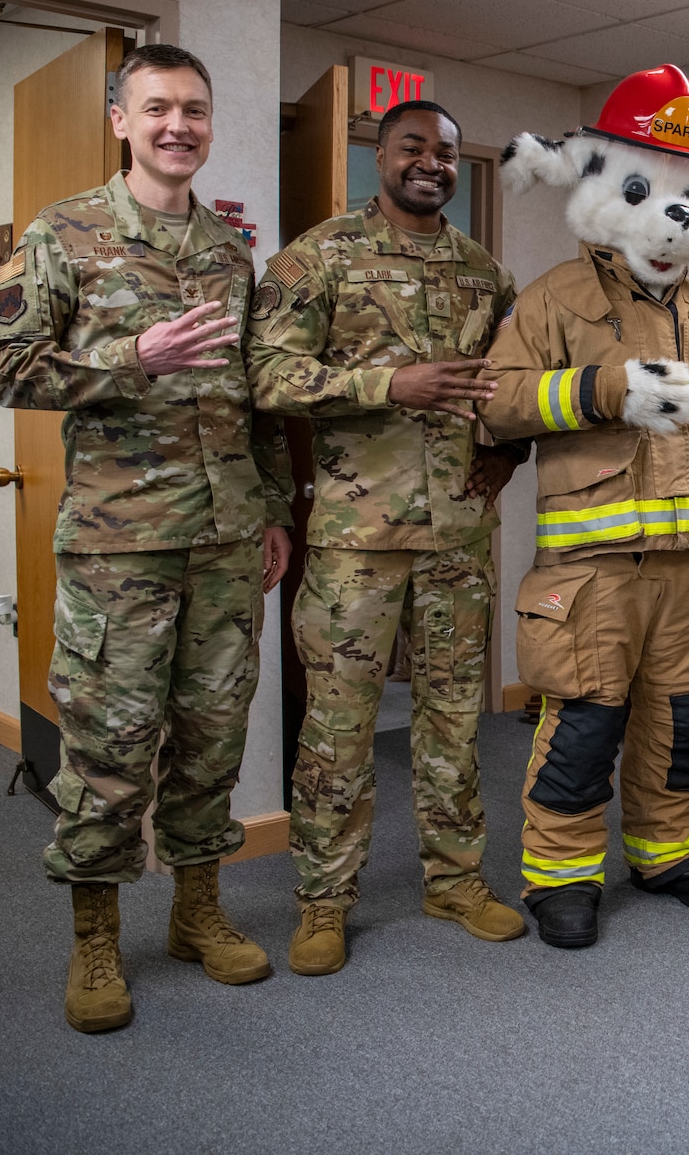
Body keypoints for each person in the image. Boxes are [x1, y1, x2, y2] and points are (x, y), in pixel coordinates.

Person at [0, 43, 292, 1033]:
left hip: (225, 541)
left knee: (212, 739)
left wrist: (273, 509)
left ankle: (197, 913)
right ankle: (96, 937)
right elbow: (9, 369)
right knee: (110, 748)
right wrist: (133, 356)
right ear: (120, 119)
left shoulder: (229, 250)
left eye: (193, 109)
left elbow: (253, 397)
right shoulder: (63, 232)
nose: (177, 126)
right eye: (157, 108)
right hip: (119, 548)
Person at [481, 63, 689, 949]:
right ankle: (561, 874)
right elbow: (497, 403)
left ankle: (668, 852)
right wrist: (604, 388)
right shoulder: (554, 297)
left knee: (685, 725)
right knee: (583, 725)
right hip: (591, 572)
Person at [248, 99, 526, 974]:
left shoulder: (484, 271)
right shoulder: (320, 256)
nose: (432, 162)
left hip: (458, 540)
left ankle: (455, 879)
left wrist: (509, 452)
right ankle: (324, 900)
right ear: (381, 153)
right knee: (339, 726)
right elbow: (266, 375)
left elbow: (518, 381)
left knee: (453, 721)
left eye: (445, 151)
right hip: (356, 539)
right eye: (414, 146)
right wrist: (387, 384)